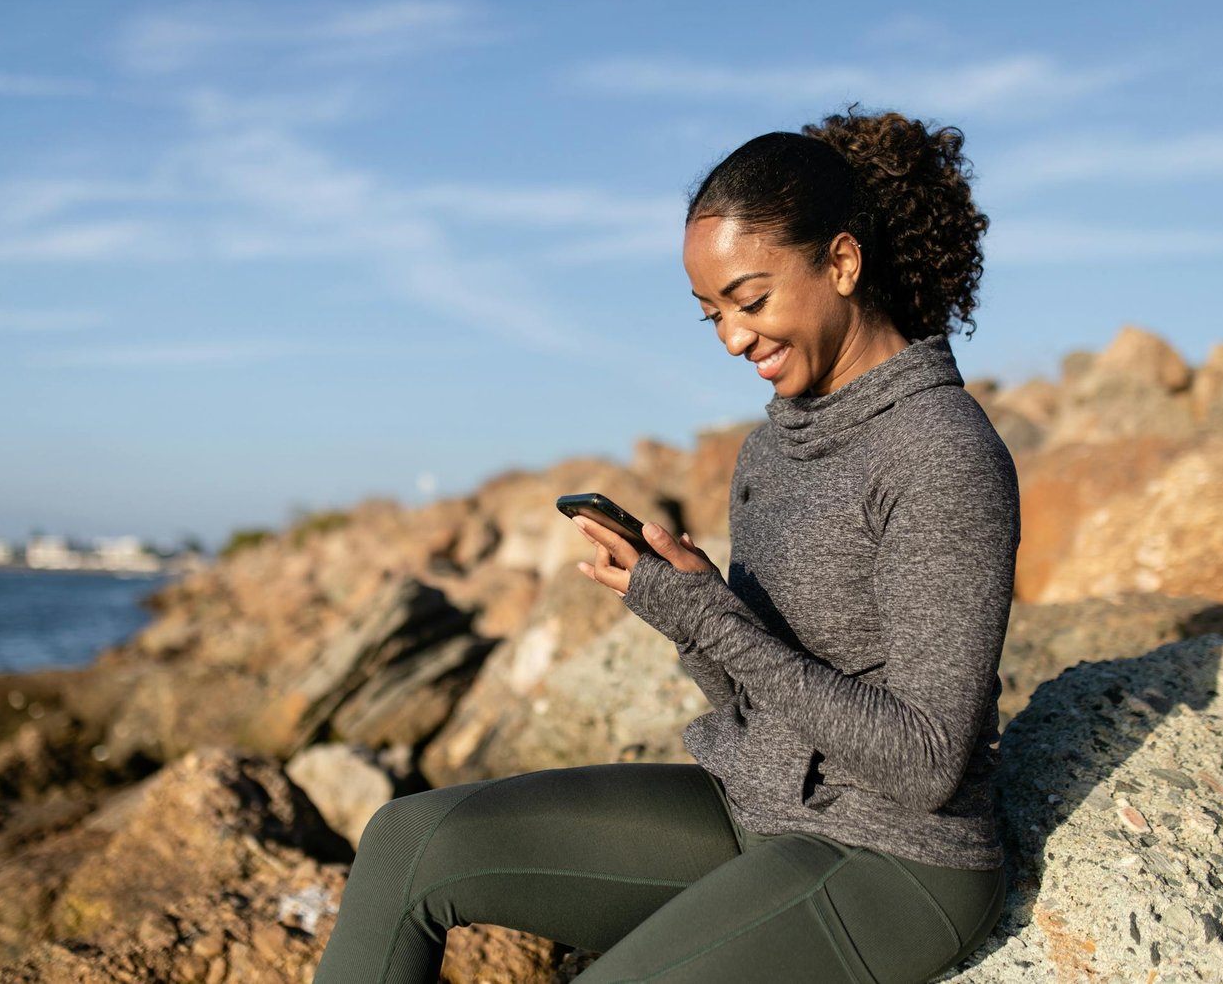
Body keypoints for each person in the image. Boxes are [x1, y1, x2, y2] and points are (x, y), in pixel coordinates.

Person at [312, 107, 1019, 984]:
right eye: (711, 312)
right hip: (753, 812)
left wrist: (716, 622)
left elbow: (925, 760)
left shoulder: (941, 452)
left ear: (842, 262)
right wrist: (687, 612)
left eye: (751, 300)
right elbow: (752, 700)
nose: (732, 337)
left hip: (892, 861)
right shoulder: (774, 446)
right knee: (407, 842)